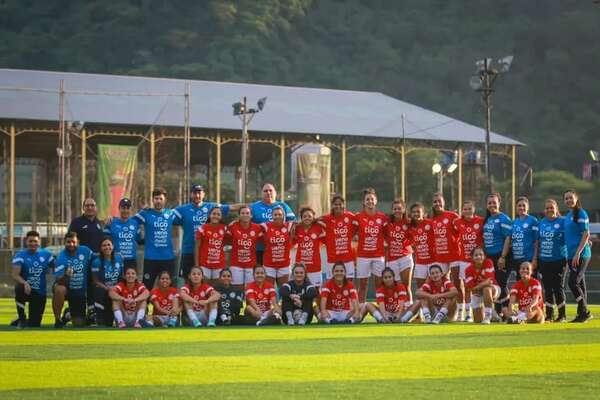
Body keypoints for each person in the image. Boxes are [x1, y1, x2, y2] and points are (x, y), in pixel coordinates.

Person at [175, 184, 232, 280]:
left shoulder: (211, 207)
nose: (197, 196)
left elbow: (232, 207)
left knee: (205, 281)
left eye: (199, 193)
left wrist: (251, 206)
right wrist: (149, 210)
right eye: (194, 193)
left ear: (203, 194)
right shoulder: (182, 209)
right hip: (188, 251)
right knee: (187, 280)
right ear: (191, 194)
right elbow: (165, 214)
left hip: (205, 256)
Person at [134, 187, 181, 290]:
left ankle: (168, 306)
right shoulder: (145, 213)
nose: (158, 201)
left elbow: (185, 220)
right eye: (156, 198)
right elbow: (131, 223)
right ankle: (146, 307)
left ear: (165, 200)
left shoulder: (170, 214)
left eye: (161, 198)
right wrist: (139, 238)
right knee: (147, 288)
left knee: (169, 288)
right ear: (152, 200)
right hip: (150, 258)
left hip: (167, 258)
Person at [68, 198, 104, 323]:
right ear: (83, 207)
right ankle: (71, 311)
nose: (90, 207)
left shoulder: (100, 223)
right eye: (87, 205)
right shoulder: (76, 222)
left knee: (93, 287)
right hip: (80, 262)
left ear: (96, 207)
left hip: (96, 262)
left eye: (92, 205)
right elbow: (70, 242)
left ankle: (92, 312)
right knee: (79, 288)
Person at [11, 230, 55, 328]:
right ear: (26, 242)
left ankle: (19, 321)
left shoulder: (46, 254)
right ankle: (22, 318)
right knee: (19, 287)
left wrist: (66, 270)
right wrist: (25, 283)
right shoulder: (20, 255)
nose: (33, 243)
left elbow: (57, 267)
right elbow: (15, 275)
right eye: (30, 241)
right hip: (26, 289)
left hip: (39, 292)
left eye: (35, 241)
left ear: (39, 242)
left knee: (34, 324)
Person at [353, 188, 388, 304]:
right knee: (363, 285)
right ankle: (361, 310)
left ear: (376, 201)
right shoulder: (358, 217)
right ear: (364, 202)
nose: (370, 201)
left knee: (379, 285)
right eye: (367, 199)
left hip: (378, 256)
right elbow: (351, 233)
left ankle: (381, 310)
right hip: (363, 256)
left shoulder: (382, 217)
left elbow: (388, 234)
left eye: (372, 199)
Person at [52, 232, 94, 328]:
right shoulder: (61, 257)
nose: (71, 244)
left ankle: (68, 314)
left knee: (79, 324)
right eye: (68, 242)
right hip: (66, 288)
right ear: (64, 242)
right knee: (60, 289)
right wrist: (66, 275)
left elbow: (96, 259)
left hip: (79, 291)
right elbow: (59, 280)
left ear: (78, 242)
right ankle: (57, 319)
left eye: (73, 242)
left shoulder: (86, 251)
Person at [563, 189, 593, 323]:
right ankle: (582, 315)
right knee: (580, 284)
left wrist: (577, 253)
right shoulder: (568, 215)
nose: (569, 200)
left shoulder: (581, 213)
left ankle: (585, 310)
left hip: (581, 255)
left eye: (571, 198)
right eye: (566, 198)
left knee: (572, 282)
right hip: (571, 255)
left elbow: (585, 233)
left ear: (576, 198)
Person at [453, 200, 484, 322]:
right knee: (465, 287)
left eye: (469, 209)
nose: (467, 211)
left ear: (474, 209)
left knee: (475, 287)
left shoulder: (480, 221)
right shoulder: (457, 222)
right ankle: (464, 313)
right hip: (464, 260)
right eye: (464, 209)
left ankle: (476, 312)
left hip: (477, 261)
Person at [482, 193, 512, 318]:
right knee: (495, 284)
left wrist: (503, 257)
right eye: (489, 203)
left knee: (502, 283)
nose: (492, 205)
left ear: (499, 203)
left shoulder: (504, 219)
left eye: (494, 202)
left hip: (501, 256)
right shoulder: (488, 219)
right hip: (490, 257)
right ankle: (499, 311)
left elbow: (508, 238)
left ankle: (506, 311)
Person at [250, 183, 296, 264]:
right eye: (265, 191)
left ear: (275, 193)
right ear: (261, 193)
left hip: (279, 249)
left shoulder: (283, 206)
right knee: (260, 274)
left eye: (270, 190)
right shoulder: (254, 206)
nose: (268, 192)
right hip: (259, 248)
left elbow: (293, 222)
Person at [538, 199, 567, 322]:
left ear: (556, 208)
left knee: (557, 287)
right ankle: (549, 315)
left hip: (559, 260)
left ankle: (562, 315)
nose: (549, 210)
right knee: (548, 288)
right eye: (547, 208)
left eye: (551, 207)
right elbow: (538, 242)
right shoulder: (542, 222)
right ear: (544, 210)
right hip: (544, 261)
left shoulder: (563, 221)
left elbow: (572, 234)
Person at [317, 195, 356, 280]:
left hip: (347, 258)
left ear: (344, 205)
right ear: (332, 205)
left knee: (349, 282)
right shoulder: (327, 218)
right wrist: (325, 239)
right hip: (332, 258)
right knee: (332, 283)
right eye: (335, 204)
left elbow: (358, 223)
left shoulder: (350, 216)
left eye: (340, 204)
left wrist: (352, 235)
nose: (338, 206)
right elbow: (314, 221)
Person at [501, 196, 539, 280]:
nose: (521, 207)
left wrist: (534, 259)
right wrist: (503, 256)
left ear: (528, 207)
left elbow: (537, 241)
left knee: (532, 285)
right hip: (517, 260)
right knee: (520, 285)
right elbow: (508, 239)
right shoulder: (514, 222)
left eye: (523, 205)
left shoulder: (533, 220)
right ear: (516, 207)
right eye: (519, 205)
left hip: (529, 259)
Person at [226, 205, 263, 290]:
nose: (245, 215)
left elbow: (264, 240)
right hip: (236, 264)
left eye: (247, 213)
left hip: (251, 264)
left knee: (250, 289)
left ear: (251, 215)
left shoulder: (257, 228)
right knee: (237, 289)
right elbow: (226, 241)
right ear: (239, 215)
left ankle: (250, 304)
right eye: (242, 213)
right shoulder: (232, 226)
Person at [384, 199, 413, 301]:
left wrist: (406, 244)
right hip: (392, 259)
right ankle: (397, 311)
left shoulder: (409, 222)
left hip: (405, 257)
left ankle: (411, 311)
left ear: (404, 209)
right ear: (392, 210)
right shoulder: (387, 223)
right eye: (395, 209)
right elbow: (382, 235)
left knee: (406, 286)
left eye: (399, 208)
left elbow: (414, 237)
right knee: (396, 286)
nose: (397, 211)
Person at [91, 237, 124, 327]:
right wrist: (107, 288)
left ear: (113, 246)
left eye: (109, 245)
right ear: (101, 248)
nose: (107, 247)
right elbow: (95, 281)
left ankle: (123, 317)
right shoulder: (96, 262)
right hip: (104, 290)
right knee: (98, 291)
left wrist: (117, 288)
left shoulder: (119, 258)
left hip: (116, 289)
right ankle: (99, 317)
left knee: (109, 322)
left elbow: (121, 277)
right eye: (104, 245)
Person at [103, 198, 141, 270]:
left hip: (131, 260)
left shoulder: (135, 223)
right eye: (123, 208)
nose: (125, 210)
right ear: (119, 209)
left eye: (128, 208)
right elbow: (104, 240)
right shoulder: (111, 222)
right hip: (115, 259)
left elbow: (139, 240)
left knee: (131, 281)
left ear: (130, 209)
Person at [464, 247, 500, 324]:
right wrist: (478, 287)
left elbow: (489, 281)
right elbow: (470, 288)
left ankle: (488, 316)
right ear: (472, 257)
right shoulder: (468, 269)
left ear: (484, 256)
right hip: (477, 294)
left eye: (481, 254)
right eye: (476, 255)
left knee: (486, 289)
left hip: (493, 289)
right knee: (478, 321)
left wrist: (477, 287)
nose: (478, 257)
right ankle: (493, 313)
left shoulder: (488, 262)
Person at [293, 207, 326, 287]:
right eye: (304, 216)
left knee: (316, 292)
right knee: (300, 291)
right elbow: (291, 242)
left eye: (309, 216)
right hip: (300, 268)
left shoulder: (318, 228)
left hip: (315, 267)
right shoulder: (297, 228)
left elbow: (328, 236)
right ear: (301, 218)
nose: (307, 218)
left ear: (313, 218)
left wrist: (322, 224)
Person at [261, 206, 294, 287]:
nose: (277, 216)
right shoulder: (265, 226)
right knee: (269, 290)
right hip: (269, 265)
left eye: (280, 214)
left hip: (284, 264)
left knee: (284, 290)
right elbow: (252, 227)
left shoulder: (289, 226)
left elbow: (303, 223)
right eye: (275, 215)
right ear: (272, 216)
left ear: (284, 216)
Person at [194, 207, 227, 286]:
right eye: (214, 214)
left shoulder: (225, 228)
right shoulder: (202, 228)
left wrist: (226, 264)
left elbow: (226, 245)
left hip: (219, 264)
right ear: (209, 215)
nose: (216, 216)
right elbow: (196, 247)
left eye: (218, 214)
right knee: (205, 287)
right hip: (205, 264)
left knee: (217, 288)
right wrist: (197, 265)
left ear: (221, 217)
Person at [408, 202, 435, 288]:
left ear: (423, 213)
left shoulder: (430, 223)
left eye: (418, 211)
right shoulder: (411, 227)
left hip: (433, 261)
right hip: (420, 262)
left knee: (435, 286)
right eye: (414, 212)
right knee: (421, 287)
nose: (416, 214)